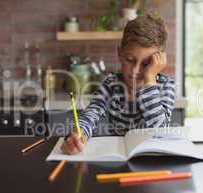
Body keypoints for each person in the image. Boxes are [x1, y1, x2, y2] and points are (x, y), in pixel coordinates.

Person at [61, 14, 175, 155]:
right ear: (119, 53)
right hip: (119, 159)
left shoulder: (165, 86)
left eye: (146, 64)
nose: (135, 71)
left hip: (152, 162)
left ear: (157, 63)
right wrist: (79, 135)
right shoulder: (111, 84)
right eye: (130, 59)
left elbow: (161, 131)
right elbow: (91, 114)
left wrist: (150, 81)